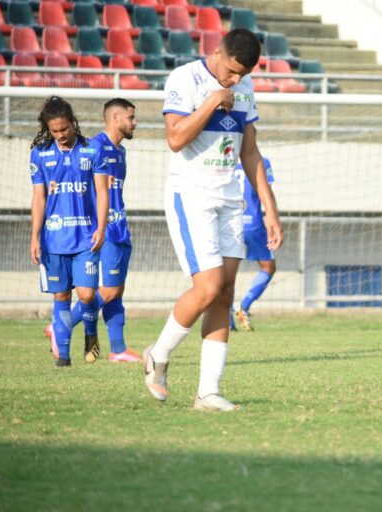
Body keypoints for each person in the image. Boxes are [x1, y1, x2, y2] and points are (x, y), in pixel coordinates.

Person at [143, 28, 282, 412]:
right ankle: (158, 354)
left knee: (224, 293)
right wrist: (212, 101)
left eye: (243, 75)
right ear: (217, 52)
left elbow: (250, 153)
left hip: (229, 200)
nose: (236, 81)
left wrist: (270, 209)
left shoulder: (246, 88)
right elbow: (175, 138)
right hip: (191, 196)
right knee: (206, 288)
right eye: (233, 71)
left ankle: (208, 392)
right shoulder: (185, 79)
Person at [59, 99, 143, 363]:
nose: (135, 122)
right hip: (102, 231)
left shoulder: (121, 152)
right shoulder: (94, 147)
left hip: (119, 228)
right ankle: (59, 327)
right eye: (131, 117)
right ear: (115, 118)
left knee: (116, 291)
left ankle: (118, 349)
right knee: (107, 291)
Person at [30, 96, 109, 367]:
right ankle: (63, 358)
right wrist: (34, 236)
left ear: (72, 123)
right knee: (61, 295)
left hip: (86, 236)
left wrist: (101, 226)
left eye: (64, 128)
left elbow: (102, 191)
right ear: (47, 129)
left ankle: (90, 330)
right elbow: (39, 198)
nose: (61, 135)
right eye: (55, 131)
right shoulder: (40, 154)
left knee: (87, 294)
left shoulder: (92, 150)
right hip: (53, 239)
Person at [232, 157, 277, 332]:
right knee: (268, 267)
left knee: (228, 272)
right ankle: (245, 305)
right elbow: (268, 193)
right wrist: (274, 220)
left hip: (229, 223)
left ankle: (226, 319)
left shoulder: (226, 160)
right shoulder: (261, 162)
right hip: (254, 224)